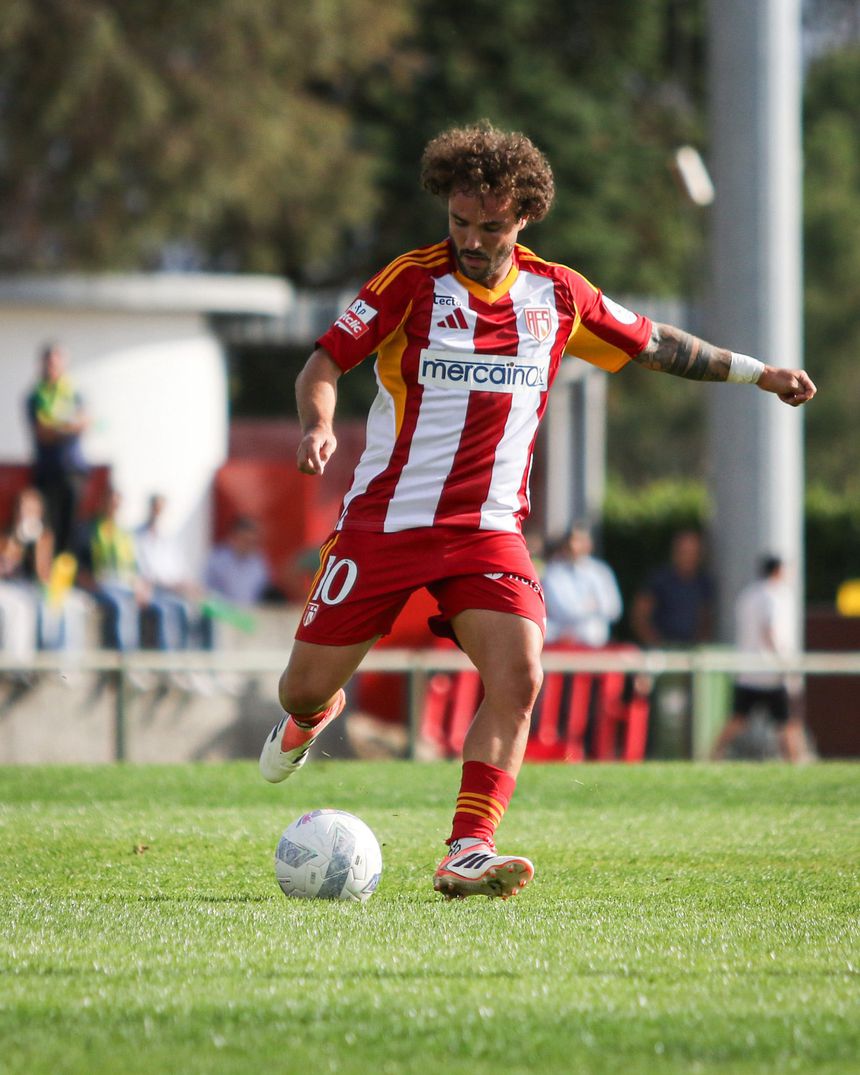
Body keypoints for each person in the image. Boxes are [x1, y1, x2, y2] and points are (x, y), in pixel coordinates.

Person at [258, 122, 816, 900]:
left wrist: (760, 375)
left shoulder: (559, 295)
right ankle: (312, 713)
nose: (471, 241)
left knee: (519, 672)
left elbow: (657, 344)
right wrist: (319, 423)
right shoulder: (410, 283)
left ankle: (468, 848)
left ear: (524, 216)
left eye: (490, 227)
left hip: (487, 529)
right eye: (458, 223)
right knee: (299, 689)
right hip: (384, 522)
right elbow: (325, 360)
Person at [711, 556, 806, 762]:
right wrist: (783, 661)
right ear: (778, 571)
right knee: (786, 721)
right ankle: (796, 761)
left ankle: (713, 755)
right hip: (770, 671)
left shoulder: (748, 595)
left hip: (748, 669)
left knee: (739, 718)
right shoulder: (773, 596)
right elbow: (770, 630)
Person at [25, 343, 90, 553]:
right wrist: (67, 426)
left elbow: (84, 422)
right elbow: (42, 433)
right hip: (47, 470)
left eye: (56, 361)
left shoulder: (73, 392)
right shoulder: (35, 396)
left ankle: (67, 567)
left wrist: (57, 426)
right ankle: (46, 570)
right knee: (47, 525)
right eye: (48, 362)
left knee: (71, 526)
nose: (52, 366)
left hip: (72, 470)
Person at [630, 529, 715, 647]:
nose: (689, 557)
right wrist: (656, 644)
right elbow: (640, 616)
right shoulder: (658, 580)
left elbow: (705, 617)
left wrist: (701, 644)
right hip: (661, 650)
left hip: (690, 650)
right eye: (685, 552)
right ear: (675, 552)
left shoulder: (703, 582)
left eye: (694, 553)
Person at [541, 525, 622, 647]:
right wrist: (590, 607)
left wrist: (585, 609)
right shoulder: (553, 573)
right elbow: (562, 610)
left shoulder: (601, 571)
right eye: (574, 540)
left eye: (582, 540)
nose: (577, 546)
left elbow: (613, 609)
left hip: (597, 644)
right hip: (561, 643)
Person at [204, 516, 272, 606]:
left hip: (251, 614)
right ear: (233, 538)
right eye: (245, 540)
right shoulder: (217, 561)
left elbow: (264, 592)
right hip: (223, 614)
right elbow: (205, 591)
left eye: (253, 542)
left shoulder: (259, 563)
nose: (249, 545)